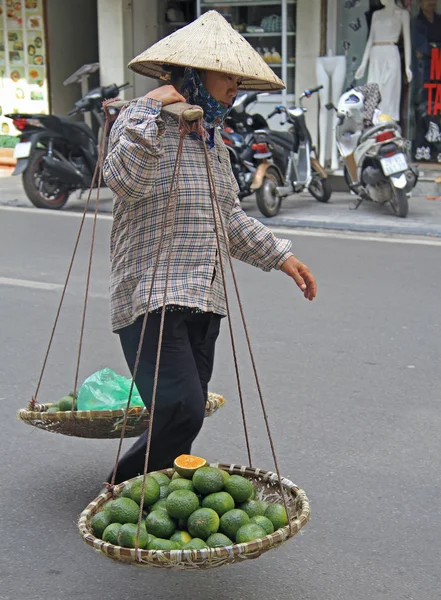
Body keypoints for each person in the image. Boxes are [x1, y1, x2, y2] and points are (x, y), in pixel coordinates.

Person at [102, 11, 317, 485]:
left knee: (186, 413)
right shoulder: (140, 122)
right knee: (181, 406)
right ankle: (121, 488)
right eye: (226, 75)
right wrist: (151, 110)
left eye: (239, 78)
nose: (234, 85)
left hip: (204, 297)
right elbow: (123, 180)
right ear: (192, 74)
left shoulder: (213, 145)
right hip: (150, 295)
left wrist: (282, 256)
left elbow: (229, 221)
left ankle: (154, 495)